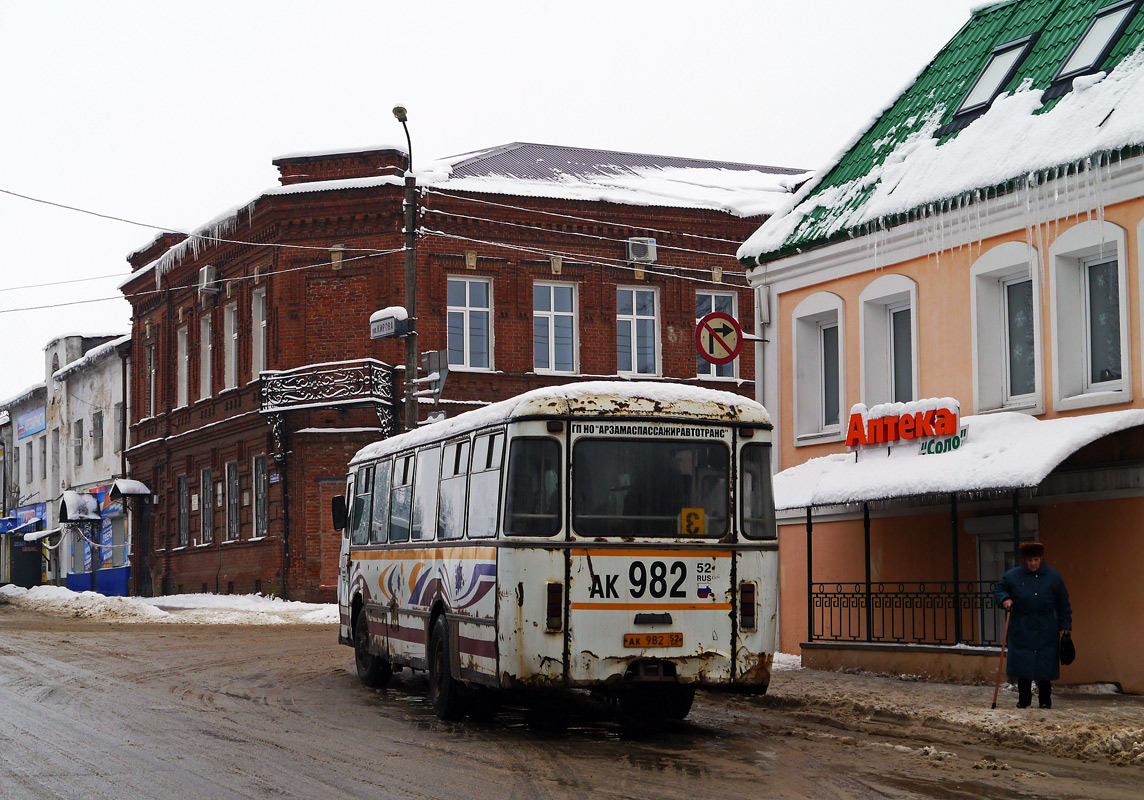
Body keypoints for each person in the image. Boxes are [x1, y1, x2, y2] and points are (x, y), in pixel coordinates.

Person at [994, 541, 1072, 709]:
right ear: (1024, 560)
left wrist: (1065, 624)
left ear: (1041, 558)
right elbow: (999, 590)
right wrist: (1005, 599)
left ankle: (1045, 701)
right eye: (1029, 560)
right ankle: (1024, 700)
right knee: (1024, 666)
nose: (1033, 563)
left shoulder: (1053, 577)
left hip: (1047, 627)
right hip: (1022, 626)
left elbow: (1063, 602)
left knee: (1045, 666)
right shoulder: (1013, 576)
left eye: (1036, 559)